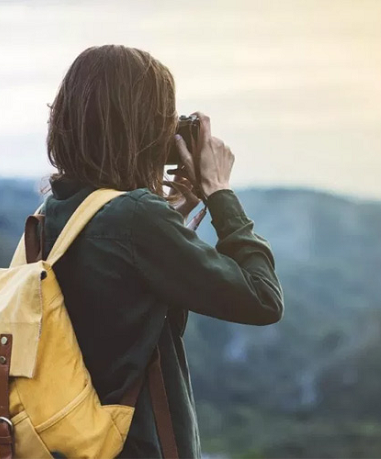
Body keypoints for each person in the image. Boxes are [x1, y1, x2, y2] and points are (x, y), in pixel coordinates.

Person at [41, 45, 284, 458]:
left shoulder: (55, 211)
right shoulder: (135, 220)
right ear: (142, 129)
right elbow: (263, 299)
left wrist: (173, 218)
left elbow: (124, 304)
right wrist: (219, 191)